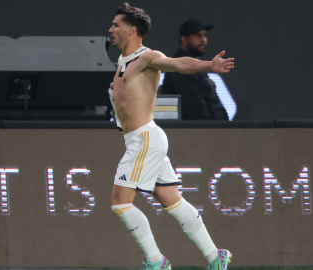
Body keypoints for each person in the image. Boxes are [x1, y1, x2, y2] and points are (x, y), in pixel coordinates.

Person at [107, 3, 234, 270]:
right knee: (171, 200)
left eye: (116, 25)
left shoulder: (147, 57)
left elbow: (178, 63)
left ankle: (156, 262)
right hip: (141, 139)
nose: (111, 29)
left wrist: (208, 65)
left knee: (120, 203)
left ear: (132, 31)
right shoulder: (122, 63)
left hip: (145, 139)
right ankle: (215, 256)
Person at [161, 18, 229, 120]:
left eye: (204, 35)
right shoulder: (179, 66)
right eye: (198, 35)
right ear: (184, 40)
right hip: (195, 132)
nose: (203, 40)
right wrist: (213, 128)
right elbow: (194, 107)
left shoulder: (198, 66)